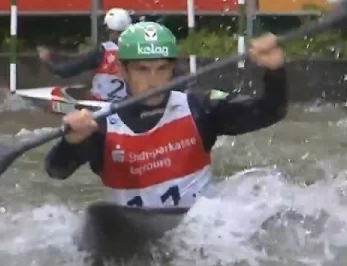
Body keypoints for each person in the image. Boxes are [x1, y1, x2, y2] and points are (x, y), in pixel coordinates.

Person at [43, 21, 287, 210]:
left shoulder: (199, 108)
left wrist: (274, 72)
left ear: (173, 69)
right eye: (142, 70)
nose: (153, 81)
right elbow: (56, 170)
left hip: (202, 231)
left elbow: (270, 111)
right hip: (136, 234)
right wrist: (70, 142)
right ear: (122, 71)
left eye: (161, 69)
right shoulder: (102, 125)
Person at [35, 8, 133, 102]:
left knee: (59, 92)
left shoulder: (101, 51)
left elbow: (67, 71)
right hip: (127, 102)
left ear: (108, 29)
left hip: (101, 102)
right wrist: (53, 55)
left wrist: (47, 61)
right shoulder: (134, 50)